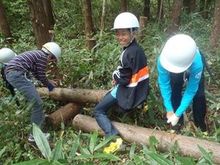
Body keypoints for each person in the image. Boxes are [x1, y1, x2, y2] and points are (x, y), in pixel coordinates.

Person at [94, 12, 149, 153]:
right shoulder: (137, 50)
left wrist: (115, 76)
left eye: (124, 34)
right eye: (118, 34)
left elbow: (124, 79)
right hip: (139, 89)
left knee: (99, 110)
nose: (120, 37)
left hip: (127, 90)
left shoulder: (128, 53)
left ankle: (114, 139)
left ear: (133, 32)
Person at [4, 42, 62, 142]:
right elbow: (41, 76)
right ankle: (35, 135)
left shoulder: (37, 54)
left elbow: (36, 74)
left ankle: (38, 119)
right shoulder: (42, 57)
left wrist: (48, 82)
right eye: (52, 59)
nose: (50, 62)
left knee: (34, 100)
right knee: (37, 103)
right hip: (16, 75)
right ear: (50, 55)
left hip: (13, 73)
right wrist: (50, 86)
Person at [157, 34, 207, 133]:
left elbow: (191, 90)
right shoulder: (164, 60)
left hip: (193, 64)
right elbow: (164, 84)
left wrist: (179, 112)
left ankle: (201, 127)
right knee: (175, 89)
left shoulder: (197, 64)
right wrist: (169, 109)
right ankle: (176, 123)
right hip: (175, 63)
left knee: (199, 95)